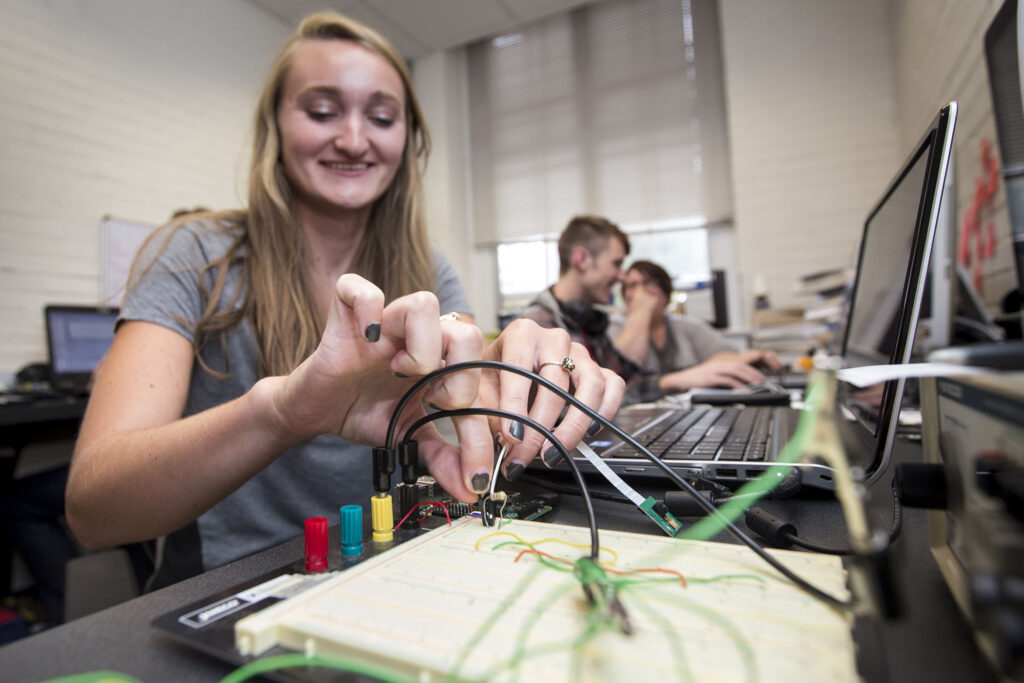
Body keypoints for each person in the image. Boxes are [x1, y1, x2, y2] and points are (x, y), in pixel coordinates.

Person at [64, 12, 623, 589]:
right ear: (275, 126)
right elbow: (92, 510)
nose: (354, 139)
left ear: (408, 140)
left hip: (389, 573)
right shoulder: (192, 255)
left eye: (381, 117)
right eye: (322, 111)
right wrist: (282, 412)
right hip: (226, 591)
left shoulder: (430, 270)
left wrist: (512, 376)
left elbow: (474, 389)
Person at [610, 260, 782, 390]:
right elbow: (621, 370)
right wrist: (641, 313)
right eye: (632, 285)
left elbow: (720, 355)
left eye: (649, 284)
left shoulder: (687, 327)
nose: (641, 292)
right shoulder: (613, 327)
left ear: (666, 293)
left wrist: (749, 358)